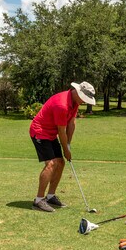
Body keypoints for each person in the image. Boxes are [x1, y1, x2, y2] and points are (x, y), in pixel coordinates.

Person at [29, 82, 96, 212]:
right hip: (40, 132)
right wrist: (65, 150)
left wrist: (68, 145)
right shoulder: (62, 105)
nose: (83, 101)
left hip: (51, 133)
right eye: (83, 98)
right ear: (77, 92)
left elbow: (71, 123)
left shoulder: (74, 102)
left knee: (60, 162)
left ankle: (51, 196)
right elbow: (61, 130)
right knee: (51, 164)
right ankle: (38, 200)